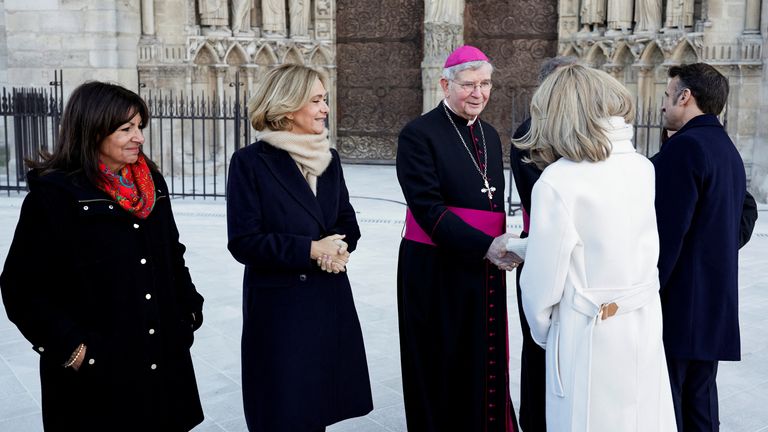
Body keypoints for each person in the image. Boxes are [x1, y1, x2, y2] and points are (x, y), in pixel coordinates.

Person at [0, 81, 205, 430]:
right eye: (126, 128)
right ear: (93, 129)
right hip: (97, 380)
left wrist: (188, 310)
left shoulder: (151, 184)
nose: (138, 137)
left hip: (162, 364)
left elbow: (172, 253)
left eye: (139, 126)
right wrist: (76, 352)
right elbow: (21, 289)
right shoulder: (55, 195)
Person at [514, 64, 676, 431]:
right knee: (641, 417)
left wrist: (548, 332)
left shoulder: (558, 182)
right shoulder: (640, 167)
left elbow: (542, 288)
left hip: (587, 331)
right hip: (643, 319)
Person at [227, 64, 373, 432]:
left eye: (325, 100)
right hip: (280, 310)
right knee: (284, 410)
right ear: (288, 107)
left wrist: (338, 247)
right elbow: (244, 241)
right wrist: (310, 249)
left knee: (317, 407)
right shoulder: (249, 163)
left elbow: (346, 219)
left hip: (327, 299)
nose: (325, 108)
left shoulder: (329, 158)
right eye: (317, 100)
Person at [396, 45, 520, 432]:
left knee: (480, 355)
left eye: (485, 84)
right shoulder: (418, 134)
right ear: (445, 84)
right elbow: (428, 208)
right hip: (435, 269)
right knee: (440, 358)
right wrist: (486, 245)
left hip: (483, 266)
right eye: (469, 85)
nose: (478, 93)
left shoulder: (490, 134)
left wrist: (501, 242)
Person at [652, 62, 748, 431]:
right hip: (713, 301)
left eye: (666, 95)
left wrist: (647, 290)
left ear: (685, 96)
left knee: (672, 404)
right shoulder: (725, 148)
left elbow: (667, 234)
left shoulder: (686, 148)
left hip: (681, 304)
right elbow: (741, 217)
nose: (663, 105)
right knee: (701, 404)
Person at [509, 55, 578, 432]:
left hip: (571, 255)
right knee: (539, 346)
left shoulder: (575, 130)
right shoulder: (529, 134)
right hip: (542, 250)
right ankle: (536, 420)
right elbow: (545, 200)